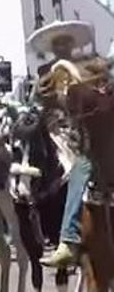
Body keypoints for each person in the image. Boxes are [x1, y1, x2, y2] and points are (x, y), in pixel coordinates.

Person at [33, 20, 105, 267]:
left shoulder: (87, 66)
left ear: (72, 45)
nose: (62, 47)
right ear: (53, 48)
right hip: (60, 132)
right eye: (58, 44)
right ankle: (64, 236)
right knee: (75, 167)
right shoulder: (46, 72)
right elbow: (38, 101)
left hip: (88, 128)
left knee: (84, 163)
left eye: (66, 43)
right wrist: (45, 93)